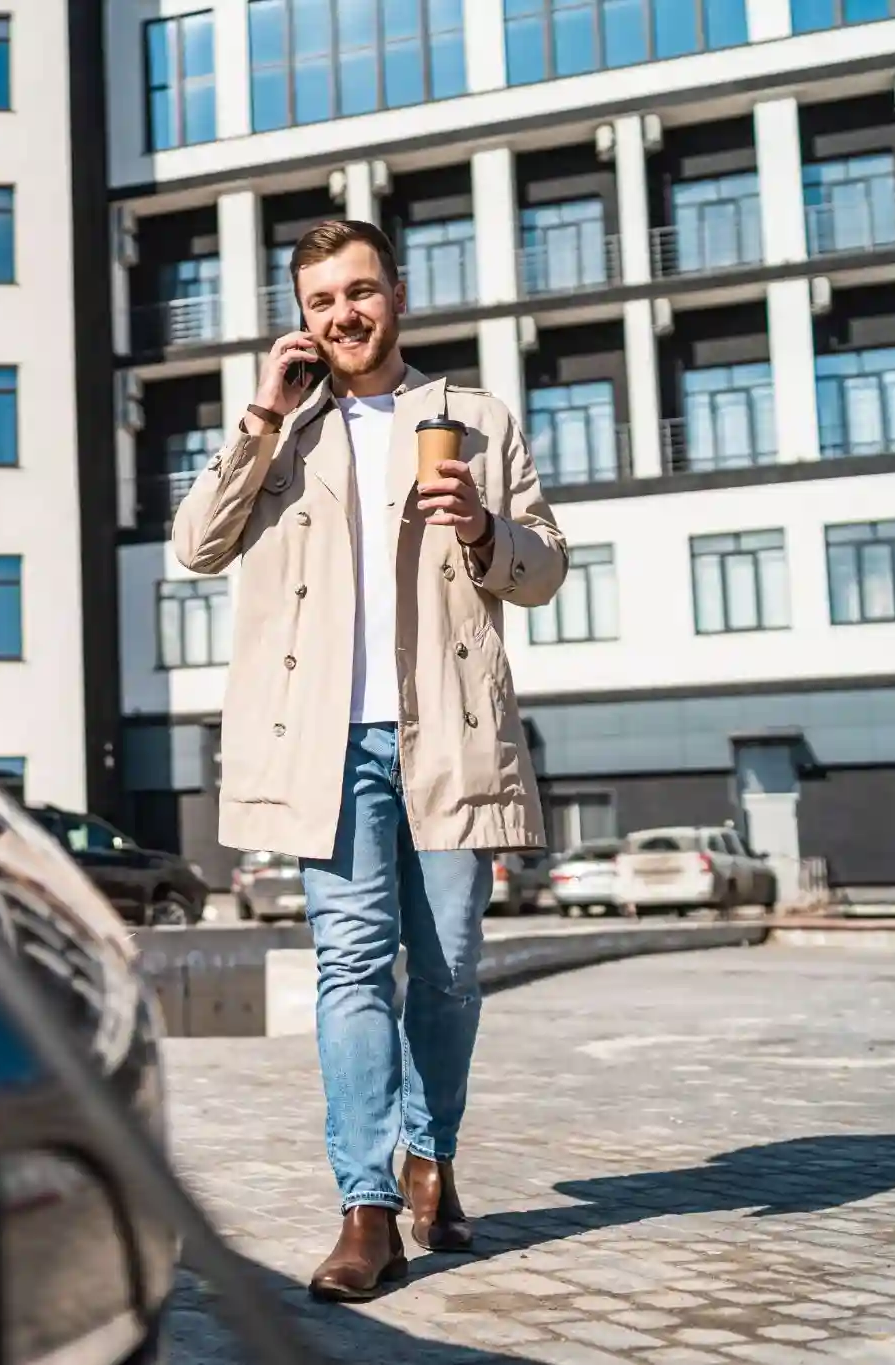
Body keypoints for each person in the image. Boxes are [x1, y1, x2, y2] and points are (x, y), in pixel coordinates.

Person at [169, 220, 568, 1302]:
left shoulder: (472, 419)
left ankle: (428, 1157)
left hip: (443, 731)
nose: (340, 315)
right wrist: (259, 412)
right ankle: (366, 1207)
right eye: (316, 302)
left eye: (357, 292)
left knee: (443, 972)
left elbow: (541, 571)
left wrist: (484, 529)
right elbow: (193, 545)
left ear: (394, 293)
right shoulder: (281, 434)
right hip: (322, 745)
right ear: (300, 320)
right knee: (350, 969)